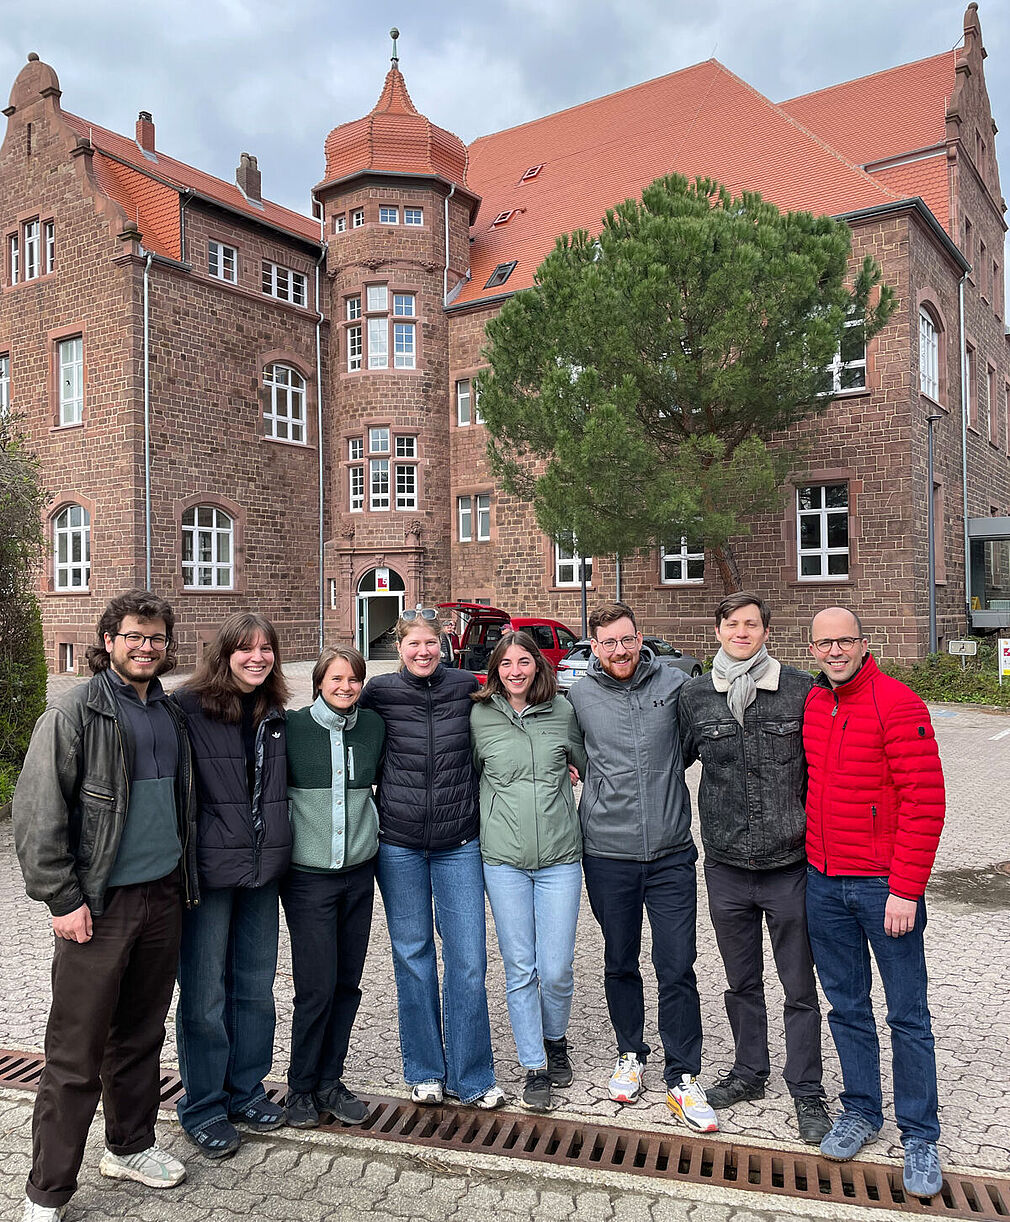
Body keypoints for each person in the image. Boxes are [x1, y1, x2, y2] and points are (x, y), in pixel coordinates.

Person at [13, 590, 195, 1222]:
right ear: (109, 641)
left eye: (156, 638)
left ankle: (130, 1146)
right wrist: (62, 898)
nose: (147, 648)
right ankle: (48, 1190)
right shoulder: (74, 713)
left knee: (141, 1035)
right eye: (134, 636)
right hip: (99, 905)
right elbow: (37, 817)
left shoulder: (169, 716)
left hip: (162, 898)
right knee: (74, 1051)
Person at [804, 606, 946, 1198]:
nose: (835, 651)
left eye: (845, 640)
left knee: (907, 1014)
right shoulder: (814, 704)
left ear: (864, 643)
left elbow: (925, 801)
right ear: (811, 650)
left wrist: (906, 889)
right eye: (824, 643)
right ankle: (861, 1109)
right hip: (823, 882)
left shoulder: (898, 703)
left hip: (882, 886)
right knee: (847, 1006)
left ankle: (920, 1133)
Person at [679, 593, 831, 1145]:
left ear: (767, 630)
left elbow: (824, 770)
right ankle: (749, 1072)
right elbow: (670, 763)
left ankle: (806, 1087)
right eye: (731, 623)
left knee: (798, 984)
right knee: (741, 980)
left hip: (789, 864)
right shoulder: (696, 696)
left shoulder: (800, 689)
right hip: (725, 864)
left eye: (751, 624)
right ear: (717, 628)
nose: (741, 632)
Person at [569, 601, 716, 1132]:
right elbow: (572, 753)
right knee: (619, 960)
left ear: (640, 638)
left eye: (626, 639)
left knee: (677, 964)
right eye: (607, 642)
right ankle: (630, 1052)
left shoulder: (672, 684)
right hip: (608, 852)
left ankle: (682, 1074)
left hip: (672, 851)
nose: (619, 650)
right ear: (595, 646)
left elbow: (691, 745)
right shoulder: (580, 695)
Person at [359, 606, 504, 1109]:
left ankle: (473, 1076)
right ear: (397, 648)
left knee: (467, 961)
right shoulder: (379, 692)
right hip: (397, 844)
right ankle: (424, 1069)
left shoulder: (467, 685)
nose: (423, 652)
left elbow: (513, 723)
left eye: (432, 643)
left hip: (459, 843)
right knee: (413, 956)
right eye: (413, 644)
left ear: (444, 645)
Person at [172, 613, 291, 1158]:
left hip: (262, 871)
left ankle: (245, 1090)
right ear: (224, 654)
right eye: (246, 649)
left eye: (266, 649)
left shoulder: (273, 711)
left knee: (254, 987)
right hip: (209, 872)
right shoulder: (189, 708)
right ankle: (202, 1105)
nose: (257, 658)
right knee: (203, 994)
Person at [471, 630, 587, 1111]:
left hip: (561, 857)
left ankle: (556, 1039)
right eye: (505, 664)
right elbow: (467, 773)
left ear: (539, 667)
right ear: (495, 671)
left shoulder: (563, 711)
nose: (515, 671)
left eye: (524, 662)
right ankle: (533, 1064)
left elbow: (587, 763)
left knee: (556, 967)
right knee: (521, 967)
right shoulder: (478, 716)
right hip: (503, 860)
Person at [281, 645, 385, 1128]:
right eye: (336, 679)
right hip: (309, 880)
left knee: (347, 984)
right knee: (316, 986)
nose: (345, 687)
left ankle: (330, 1080)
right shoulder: (292, 729)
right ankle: (300, 1085)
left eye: (354, 680)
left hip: (359, 876)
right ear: (319, 682)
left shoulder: (372, 728)